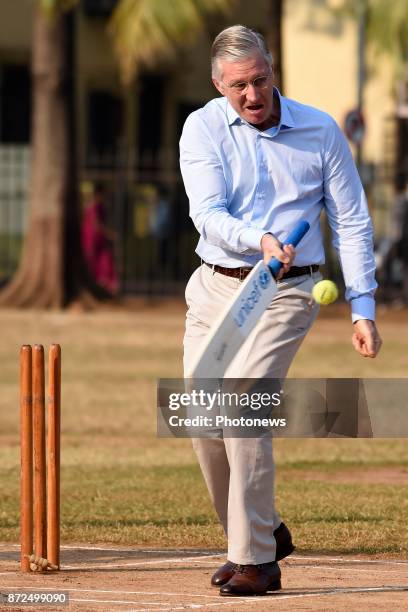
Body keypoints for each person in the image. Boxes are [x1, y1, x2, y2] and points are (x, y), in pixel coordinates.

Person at [179, 25, 382, 597]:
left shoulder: (319, 130)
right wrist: (258, 238)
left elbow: (351, 220)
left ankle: (256, 559)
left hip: (289, 288)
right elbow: (208, 214)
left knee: (242, 396)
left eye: (260, 80)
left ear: (274, 72)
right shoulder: (200, 129)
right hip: (219, 281)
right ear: (219, 85)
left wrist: (362, 306)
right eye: (238, 85)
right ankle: (261, 533)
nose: (252, 94)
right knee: (199, 407)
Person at [81, 182, 119, 295]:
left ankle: (103, 287)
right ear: (98, 194)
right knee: (96, 262)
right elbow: (96, 224)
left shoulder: (95, 206)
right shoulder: (93, 206)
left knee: (102, 262)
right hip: (92, 239)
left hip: (96, 239)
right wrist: (109, 234)